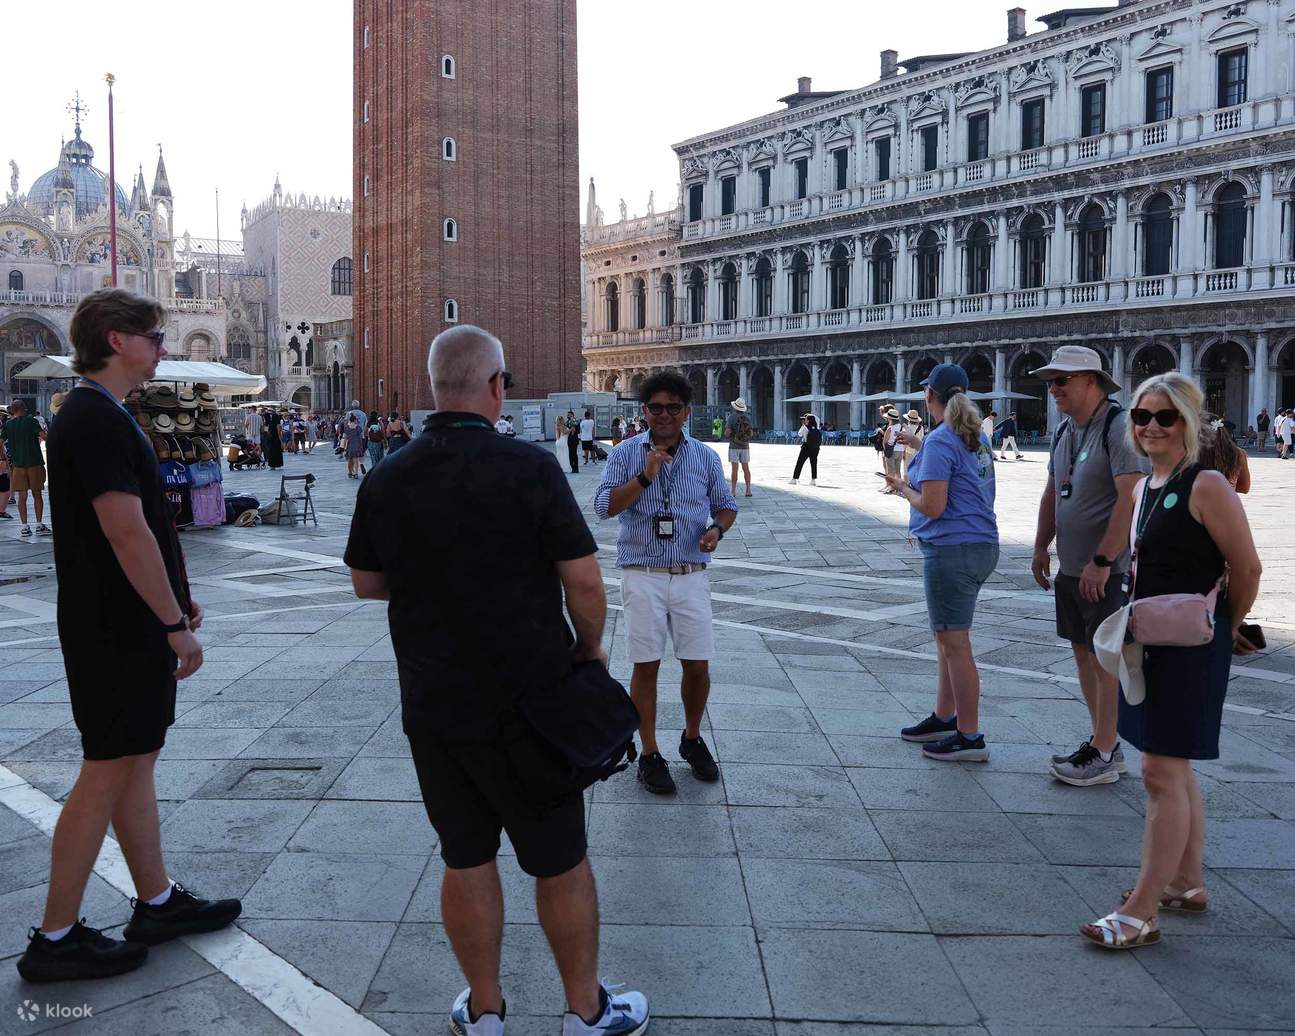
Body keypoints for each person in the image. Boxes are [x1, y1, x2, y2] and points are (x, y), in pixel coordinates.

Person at [345, 324, 649, 1035]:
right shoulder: (529, 467)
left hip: (435, 703)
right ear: (494, 386)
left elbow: (366, 582)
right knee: (560, 861)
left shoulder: (390, 472)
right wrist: (590, 649)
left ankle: (485, 1012)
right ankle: (583, 1011)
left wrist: (435, 588)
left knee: (465, 856)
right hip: (531, 701)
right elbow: (583, 580)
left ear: (433, 388)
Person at [16, 288, 241, 984]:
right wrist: (174, 624)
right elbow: (126, 528)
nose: (163, 348)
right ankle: (54, 938)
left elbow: (140, 528)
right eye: (153, 336)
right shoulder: (97, 419)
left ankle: (157, 901)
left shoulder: (95, 414)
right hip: (117, 629)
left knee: (133, 762)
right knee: (106, 771)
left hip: (117, 623)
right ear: (117, 339)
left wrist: (177, 594)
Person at [1080, 372, 1262, 951]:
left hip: (1192, 645)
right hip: (1152, 639)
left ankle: (1141, 910)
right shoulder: (1143, 489)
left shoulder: (1206, 484)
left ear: (1188, 423)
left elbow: (1249, 568)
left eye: (1165, 417)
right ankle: (1185, 883)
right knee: (1174, 769)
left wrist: (1223, 629)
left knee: (1158, 772)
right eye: (1141, 417)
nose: (1152, 427)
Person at [595, 371, 738, 796]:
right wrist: (644, 476)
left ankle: (692, 739)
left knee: (697, 664)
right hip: (643, 573)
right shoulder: (624, 455)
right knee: (646, 664)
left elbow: (726, 506)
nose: (664, 415)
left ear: (686, 411)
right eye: (655, 407)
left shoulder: (706, 457)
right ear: (644, 411)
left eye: (672, 408)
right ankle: (651, 752)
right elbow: (603, 507)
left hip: (691, 571)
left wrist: (717, 530)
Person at [1030, 345, 1146, 787]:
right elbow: (1050, 493)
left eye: (1063, 379)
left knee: (1104, 661)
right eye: (1051, 380)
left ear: (1092, 382)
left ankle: (1104, 749)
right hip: (1072, 568)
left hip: (1106, 570)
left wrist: (1103, 560)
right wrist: (1042, 547)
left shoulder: (1118, 428)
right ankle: (1103, 742)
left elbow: (1129, 497)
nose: (1054, 387)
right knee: (1083, 654)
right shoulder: (1064, 430)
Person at [885, 363, 999, 761]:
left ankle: (969, 736)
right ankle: (944, 716)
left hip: (952, 549)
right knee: (947, 640)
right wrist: (920, 449)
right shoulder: (974, 438)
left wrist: (903, 489)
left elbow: (933, 506)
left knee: (955, 643)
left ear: (929, 396)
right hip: (980, 544)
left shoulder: (940, 441)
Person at [2, 400, 50, 536]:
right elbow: (44, 437)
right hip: (34, 463)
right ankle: (39, 525)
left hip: (18, 466)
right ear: (24, 408)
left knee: (22, 496)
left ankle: (24, 526)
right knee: (37, 494)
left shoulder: (8, 425)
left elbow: (0, 442)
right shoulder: (32, 422)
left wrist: (3, 457)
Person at [1199, 412, 1250, 493]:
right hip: (1227, 503)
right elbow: (1244, 488)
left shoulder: (1193, 454)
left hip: (1198, 503)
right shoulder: (1239, 454)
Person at [724, 397, 754, 497]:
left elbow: (727, 432)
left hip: (734, 445)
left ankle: (733, 490)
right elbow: (750, 432)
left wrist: (726, 434)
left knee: (734, 469)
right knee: (746, 468)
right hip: (745, 446)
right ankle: (748, 489)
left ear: (735, 407)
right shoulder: (747, 418)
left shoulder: (731, 417)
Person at [791, 413, 821, 486]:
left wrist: (803, 425)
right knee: (813, 464)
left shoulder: (805, 427)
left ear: (808, 420)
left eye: (806, 419)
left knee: (800, 463)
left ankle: (794, 478)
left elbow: (799, 434)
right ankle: (813, 480)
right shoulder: (816, 428)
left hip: (806, 447)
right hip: (815, 448)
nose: (805, 420)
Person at [880, 406, 903, 491]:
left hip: (891, 450)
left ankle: (891, 487)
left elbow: (885, 441)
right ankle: (899, 488)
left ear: (890, 418)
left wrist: (885, 449)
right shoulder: (901, 427)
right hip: (900, 450)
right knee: (898, 471)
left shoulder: (890, 428)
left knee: (890, 471)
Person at [900, 408, 925, 479]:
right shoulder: (921, 428)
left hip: (908, 450)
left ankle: (907, 485)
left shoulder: (906, 428)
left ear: (908, 419)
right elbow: (922, 439)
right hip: (917, 450)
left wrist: (903, 452)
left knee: (906, 469)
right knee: (916, 468)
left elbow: (903, 441)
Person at [343, 414, 366, 478]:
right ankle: (356, 473)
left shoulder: (347, 428)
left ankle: (350, 472)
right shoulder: (358, 427)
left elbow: (345, 438)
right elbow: (360, 437)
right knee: (356, 460)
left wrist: (344, 447)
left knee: (349, 460)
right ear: (355, 420)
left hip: (349, 445)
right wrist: (361, 445)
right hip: (357, 445)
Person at [565, 409, 580, 474]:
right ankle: (572, 467)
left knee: (573, 454)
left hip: (574, 440)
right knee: (570, 454)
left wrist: (573, 431)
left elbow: (578, 431)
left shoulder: (575, 422)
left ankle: (575, 468)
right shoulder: (568, 422)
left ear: (572, 415)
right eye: (567, 415)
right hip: (569, 440)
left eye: (569, 415)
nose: (568, 416)